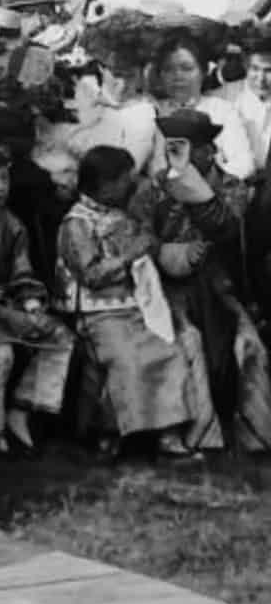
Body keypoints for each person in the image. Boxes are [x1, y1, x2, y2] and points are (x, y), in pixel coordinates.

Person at [132, 110, 271, 453]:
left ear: (209, 150)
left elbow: (226, 230)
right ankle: (199, 434)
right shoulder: (153, 187)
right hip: (168, 288)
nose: (175, 153)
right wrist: (166, 252)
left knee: (248, 345)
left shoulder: (232, 188)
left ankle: (255, 435)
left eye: (186, 146)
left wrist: (188, 182)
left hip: (219, 284)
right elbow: (136, 232)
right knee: (186, 339)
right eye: (172, 146)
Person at [56, 146, 195, 458]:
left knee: (168, 352)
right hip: (95, 314)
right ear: (105, 185)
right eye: (124, 180)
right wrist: (131, 254)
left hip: (133, 310)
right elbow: (90, 275)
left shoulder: (121, 216)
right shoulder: (76, 224)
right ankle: (112, 433)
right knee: (128, 360)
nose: (130, 186)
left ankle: (167, 434)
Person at [0, 139, 73, 455]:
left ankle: (21, 408)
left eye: (4, 179)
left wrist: (31, 305)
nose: (0, 188)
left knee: (60, 337)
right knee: (1, 354)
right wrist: (3, 312)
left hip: (7, 307)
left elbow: (22, 273)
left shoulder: (12, 224)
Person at [152, 34, 254, 182]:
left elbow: (244, 163)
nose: (177, 76)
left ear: (204, 71)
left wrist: (204, 184)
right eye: (168, 69)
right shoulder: (151, 110)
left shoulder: (221, 110)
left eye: (187, 68)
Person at [224, 38, 271, 173]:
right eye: (255, 69)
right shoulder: (226, 99)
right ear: (246, 67)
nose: (261, 78)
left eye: (269, 71)